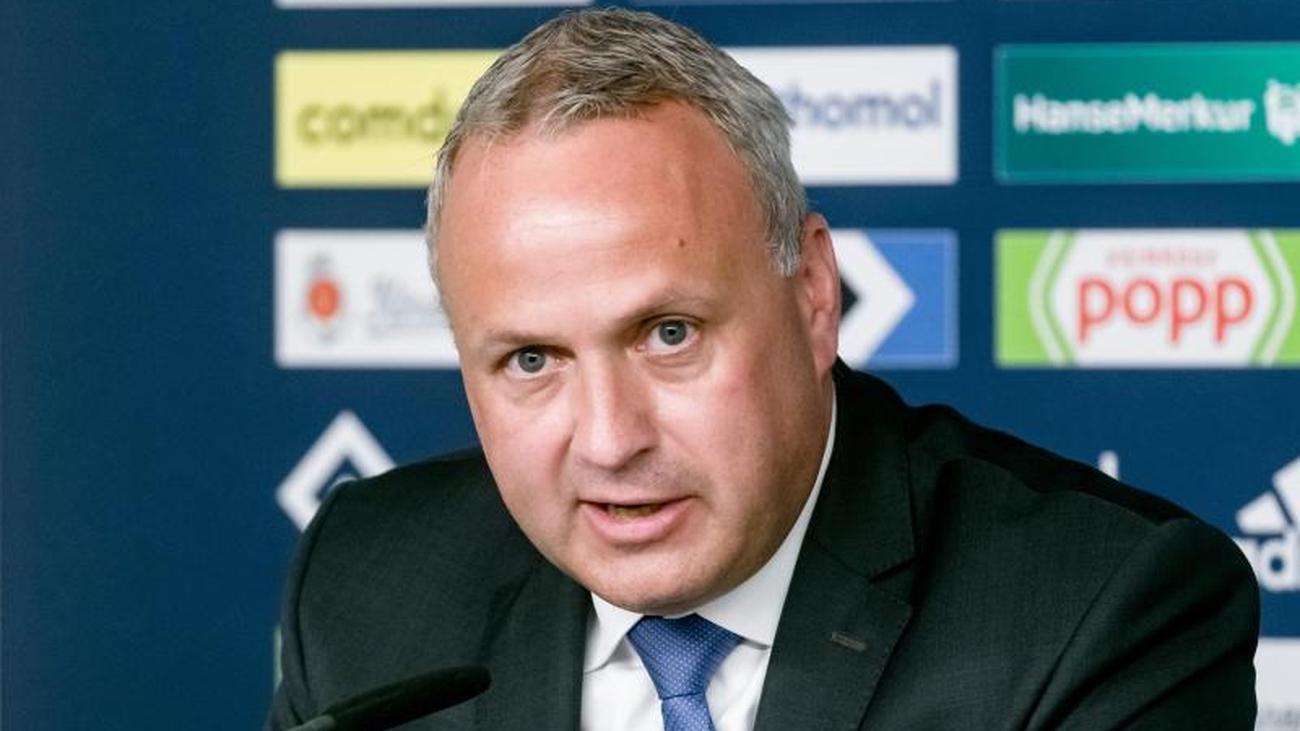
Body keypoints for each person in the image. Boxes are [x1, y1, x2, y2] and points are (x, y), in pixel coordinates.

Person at [268, 9, 1258, 730]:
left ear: (814, 293)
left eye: (668, 333)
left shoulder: (1101, 612)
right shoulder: (366, 585)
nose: (609, 439)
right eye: (532, 358)